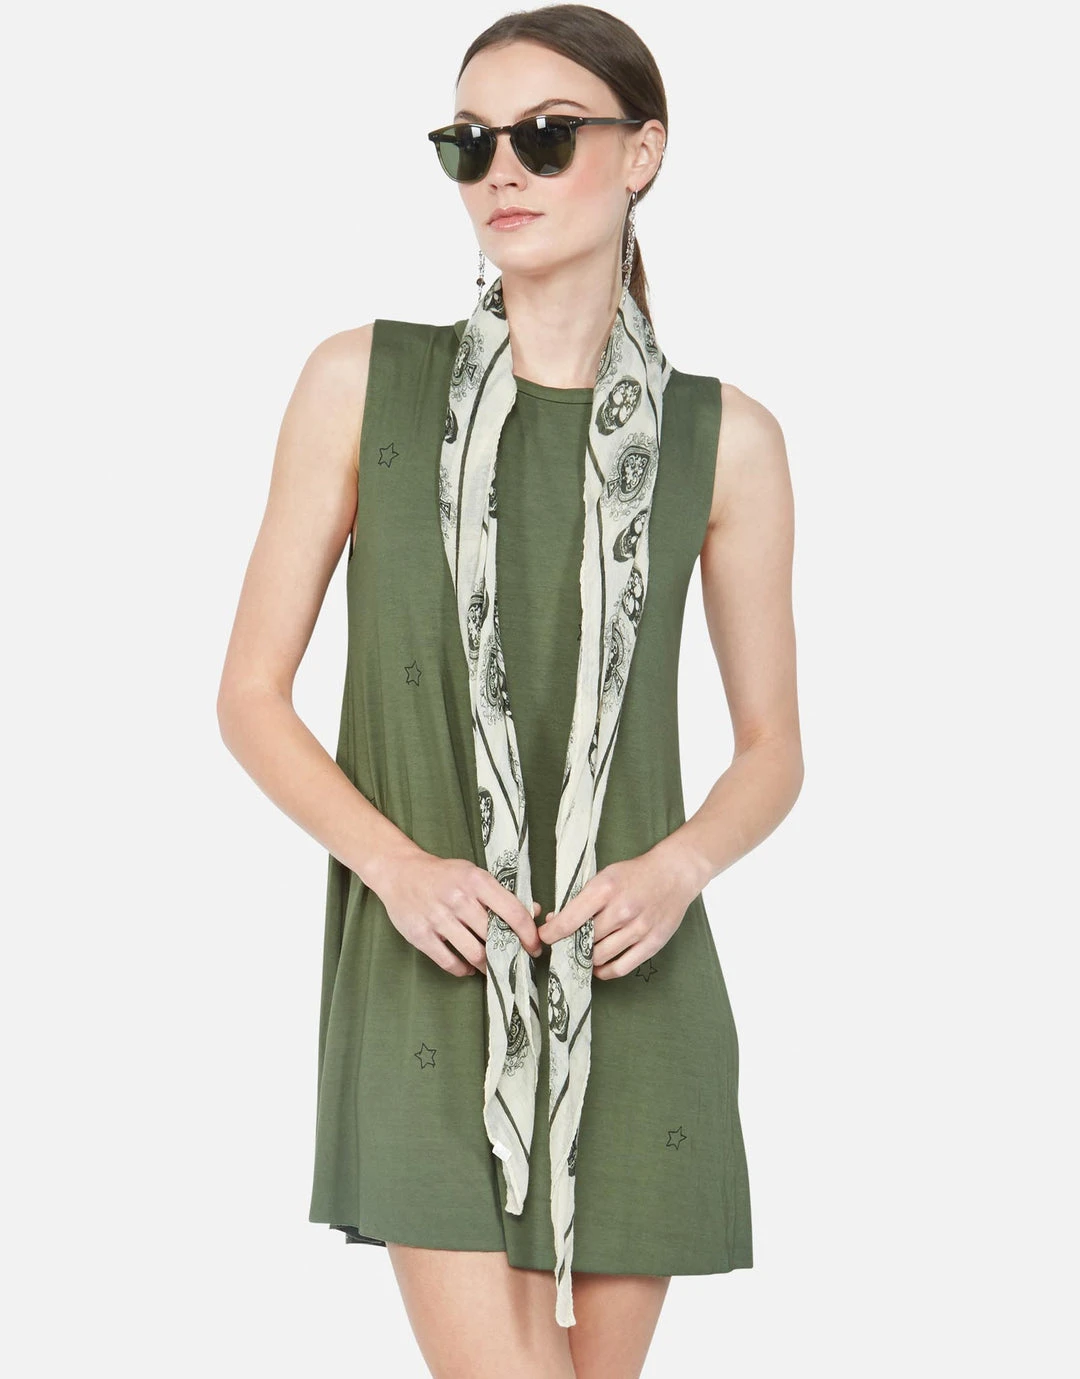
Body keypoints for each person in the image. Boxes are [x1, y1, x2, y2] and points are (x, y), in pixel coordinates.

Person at [218, 5, 802, 1375]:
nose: (501, 172)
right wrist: (394, 866)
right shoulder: (362, 382)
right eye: (469, 142)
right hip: (432, 964)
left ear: (642, 153)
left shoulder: (728, 442)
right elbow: (249, 693)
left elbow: (774, 746)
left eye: (545, 136)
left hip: (630, 971)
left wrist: (680, 866)